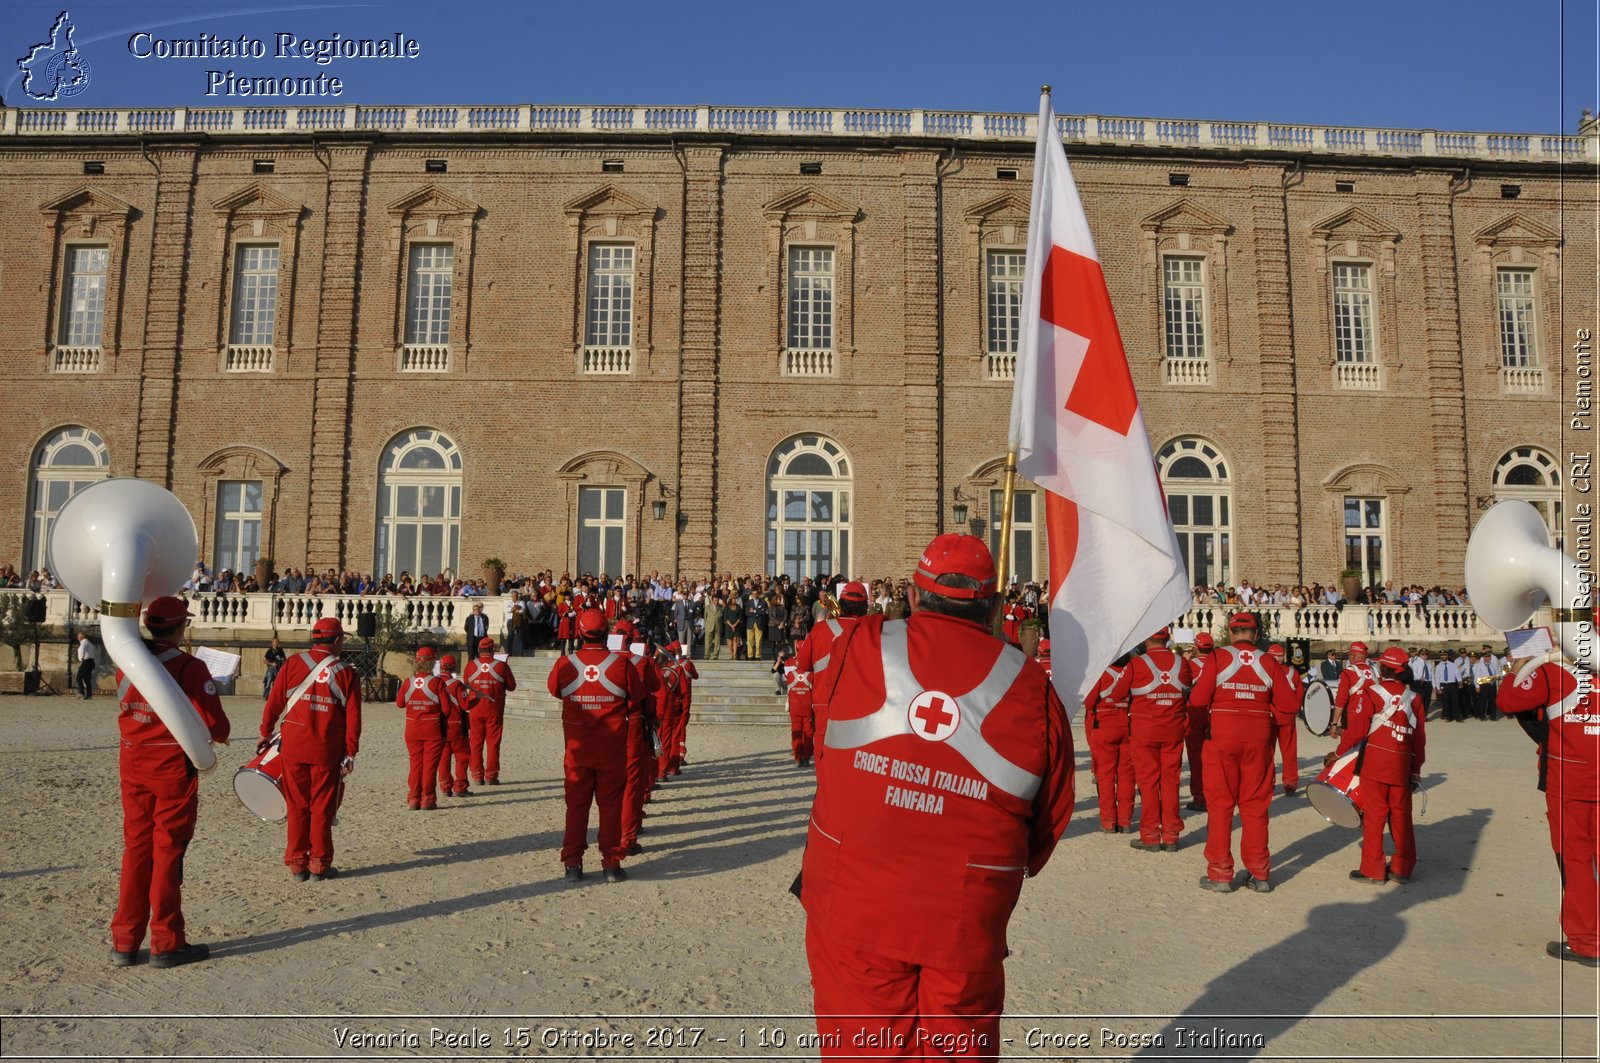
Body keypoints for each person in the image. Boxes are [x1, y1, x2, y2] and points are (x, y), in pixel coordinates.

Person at [800, 534, 1074, 1056]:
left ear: (912, 596)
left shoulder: (858, 644)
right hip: (965, 913)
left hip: (855, 897)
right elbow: (1052, 816)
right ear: (993, 605)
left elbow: (827, 750)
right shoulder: (1033, 686)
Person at [111, 596, 231, 968]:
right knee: (167, 852)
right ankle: (166, 940)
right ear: (181, 627)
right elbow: (218, 728)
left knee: (136, 849)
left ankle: (125, 940)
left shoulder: (126, 663)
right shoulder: (189, 667)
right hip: (171, 769)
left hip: (132, 762)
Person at [1498, 649, 1600, 966]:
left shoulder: (1557, 673)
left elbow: (1509, 701)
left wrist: (1520, 665)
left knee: (1575, 859)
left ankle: (1587, 941)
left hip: (1569, 777)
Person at [1187, 612, 1298, 893]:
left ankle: (1221, 873)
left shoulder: (1217, 657)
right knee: (1256, 807)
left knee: (1221, 806)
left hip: (1222, 734)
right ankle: (1259, 873)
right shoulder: (1269, 661)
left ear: (1230, 631)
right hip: (1258, 737)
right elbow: (1288, 704)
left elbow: (1198, 700)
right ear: (1257, 634)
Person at [258, 617, 361, 880]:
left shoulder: (293, 663)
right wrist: (350, 751)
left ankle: (296, 863)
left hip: (293, 747)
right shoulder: (347, 672)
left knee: (296, 805)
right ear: (337, 640)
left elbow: (274, 701)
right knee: (322, 807)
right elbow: (353, 719)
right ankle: (319, 864)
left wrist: (265, 732)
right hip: (327, 749)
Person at [546, 608, 640, 883]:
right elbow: (637, 697)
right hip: (611, 748)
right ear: (607, 633)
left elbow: (554, 690)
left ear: (579, 632)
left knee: (576, 807)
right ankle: (611, 863)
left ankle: (572, 864)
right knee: (610, 807)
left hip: (577, 750)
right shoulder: (622, 665)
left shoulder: (565, 664)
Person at [1336, 646, 1425, 885]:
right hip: (1402, 763)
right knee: (1401, 816)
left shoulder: (1373, 693)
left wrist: (1338, 754)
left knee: (1375, 815)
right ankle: (1402, 868)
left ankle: (1373, 869)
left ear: (1384, 668)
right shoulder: (1415, 698)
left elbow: (1357, 730)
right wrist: (1416, 770)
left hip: (1375, 761)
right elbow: (1419, 739)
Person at [1110, 627, 1189, 851]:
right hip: (1173, 728)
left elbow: (1116, 694)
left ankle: (1151, 835)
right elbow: (1188, 689)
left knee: (1148, 783)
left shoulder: (1136, 664)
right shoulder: (1181, 663)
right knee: (1171, 782)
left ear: (1146, 640)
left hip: (1144, 730)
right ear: (1167, 639)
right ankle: (1172, 835)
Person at [792, 582, 870, 751]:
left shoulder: (820, 630)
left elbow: (803, 665)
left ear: (840, 605)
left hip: (825, 701)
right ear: (866, 607)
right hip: (861, 703)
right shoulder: (873, 630)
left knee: (824, 750)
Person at [1083, 653, 1135, 833]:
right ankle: (1126, 821)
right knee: (1127, 776)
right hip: (1126, 726)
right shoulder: (1131, 670)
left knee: (1105, 776)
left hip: (1104, 726)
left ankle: (1108, 821)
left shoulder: (1102, 673)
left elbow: (1089, 703)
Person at [396, 647, 447, 810]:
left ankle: (413, 798)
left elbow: (399, 703)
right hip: (432, 728)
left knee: (415, 764)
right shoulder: (437, 682)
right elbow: (447, 709)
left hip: (412, 728)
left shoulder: (408, 682)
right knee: (430, 765)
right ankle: (428, 798)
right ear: (433, 663)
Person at [463, 637, 516, 786]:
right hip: (494, 709)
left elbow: (466, 684)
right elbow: (512, 686)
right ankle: (491, 775)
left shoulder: (470, 666)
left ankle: (477, 775)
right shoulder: (501, 666)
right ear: (493, 650)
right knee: (493, 743)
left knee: (475, 742)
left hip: (475, 708)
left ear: (479, 649)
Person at [435, 653, 476, 797]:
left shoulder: (434, 682)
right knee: (462, 756)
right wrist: (474, 697)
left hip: (439, 726)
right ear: (454, 667)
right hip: (457, 725)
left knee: (444, 758)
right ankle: (460, 786)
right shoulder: (457, 685)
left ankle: (445, 786)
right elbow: (465, 705)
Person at [1184, 632, 1216, 810]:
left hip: (1195, 714)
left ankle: (1200, 798)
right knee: (1214, 760)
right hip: (1214, 715)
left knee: (1196, 759)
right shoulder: (1218, 663)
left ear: (1196, 648)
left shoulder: (1190, 665)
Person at [1268, 643, 1302, 795]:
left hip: (1269, 716)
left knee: (1267, 752)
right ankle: (1290, 783)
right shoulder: (1292, 673)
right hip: (1288, 718)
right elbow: (1300, 695)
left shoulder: (1265, 671)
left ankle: (1268, 783)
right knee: (1289, 752)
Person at [1333, 641, 1377, 735]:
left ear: (1353, 656)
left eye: (1349, 655)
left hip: (1352, 718)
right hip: (1372, 719)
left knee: (1348, 748)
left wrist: (1334, 723)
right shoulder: (1375, 671)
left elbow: (1341, 700)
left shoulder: (1347, 672)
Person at [75, 630, 99, 699]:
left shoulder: (84, 641)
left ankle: (81, 693)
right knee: (86, 679)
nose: (77, 638)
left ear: (81, 637)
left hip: (86, 661)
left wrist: (81, 657)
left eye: (78, 637)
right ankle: (89, 695)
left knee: (78, 677)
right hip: (91, 662)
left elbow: (82, 649)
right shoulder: (89, 643)